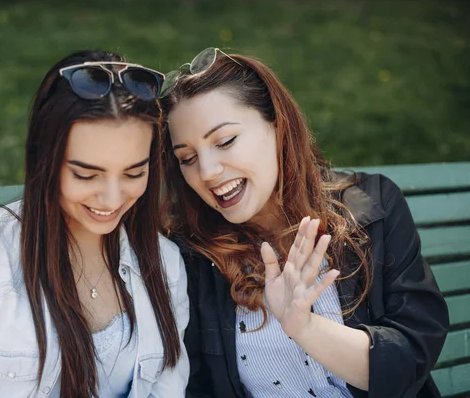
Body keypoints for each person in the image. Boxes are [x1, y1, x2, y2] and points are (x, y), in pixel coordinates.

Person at [160, 47, 449, 397]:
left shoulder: (375, 208)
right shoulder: (190, 258)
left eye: (225, 141)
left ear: (277, 125)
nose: (206, 172)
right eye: (187, 158)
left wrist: (307, 328)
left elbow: (413, 355)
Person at [0, 49, 189, 398]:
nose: (111, 199)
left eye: (133, 172)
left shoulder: (164, 264)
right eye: (86, 174)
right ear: (45, 160)